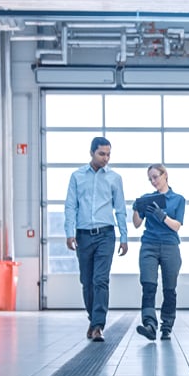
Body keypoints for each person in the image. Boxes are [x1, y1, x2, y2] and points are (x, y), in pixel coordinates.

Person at [64, 136, 128, 342]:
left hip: (106, 235)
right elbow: (70, 206)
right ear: (91, 152)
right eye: (102, 154)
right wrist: (69, 232)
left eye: (108, 154)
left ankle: (98, 325)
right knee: (87, 281)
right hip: (83, 235)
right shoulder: (77, 176)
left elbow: (120, 209)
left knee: (100, 280)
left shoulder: (114, 178)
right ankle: (93, 320)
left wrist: (124, 236)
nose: (106, 158)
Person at [132, 163, 185, 341]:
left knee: (169, 289)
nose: (153, 181)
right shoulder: (147, 199)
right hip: (149, 245)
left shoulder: (178, 199)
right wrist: (137, 208)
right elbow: (137, 224)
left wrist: (162, 216)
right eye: (150, 179)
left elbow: (176, 226)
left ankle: (167, 326)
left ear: (165, 175)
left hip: (170, 246)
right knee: (148, 286)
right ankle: (150, 325)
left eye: (155, 177)